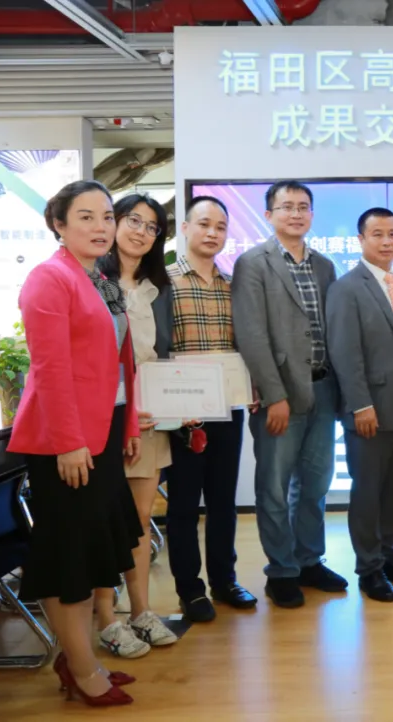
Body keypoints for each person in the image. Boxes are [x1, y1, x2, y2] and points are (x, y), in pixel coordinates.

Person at [9, 180, 141, 706]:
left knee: (89, 553)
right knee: (69, 556)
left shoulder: (98, 280)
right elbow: (50, 368)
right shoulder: (49, 278)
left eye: (107, 216)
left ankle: (80, 657)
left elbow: (118, 366)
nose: (101, 226)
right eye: (85, 217)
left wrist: (126, 429)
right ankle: (82, 670)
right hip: (65, 443)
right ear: (58, 224)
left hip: (101, 433)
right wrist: (69, 442)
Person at [233, 180, 345, 609]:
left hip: (323, 389)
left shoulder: (325, 265)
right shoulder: (252, 263)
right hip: (280, 395)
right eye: (287, 207)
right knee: (275, 488)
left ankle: (309, 560)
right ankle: (281, 570)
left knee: (315, 484)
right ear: (269, 214)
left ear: (312, 214)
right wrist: (273, 394)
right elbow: (252, 335)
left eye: (303, 207)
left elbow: (333, 330)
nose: (296, 214)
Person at [326, 208, 393, 602]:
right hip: (370, 409)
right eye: (377, 234)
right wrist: (359, 405)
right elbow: (345, 352)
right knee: (368, 492)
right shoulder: (346, 288)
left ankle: (389, 556)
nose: (387, 241)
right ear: (361, 240)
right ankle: (369, 569)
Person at [93, 193, 179, 655]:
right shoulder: (90, 281)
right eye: (133, 220)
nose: (141, 232)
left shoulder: (158, 290)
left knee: (141, 520)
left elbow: (161, 357)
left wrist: (179, 401)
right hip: (105, 419)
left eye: (151, 226)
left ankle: (142, 611)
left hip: (150, 420)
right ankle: (107, 618)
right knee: (107, 520)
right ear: (114, 222)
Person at [164, 196, 257, 622]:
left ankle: (225, 580)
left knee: (223, 501)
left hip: (228, 408)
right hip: (181, 412)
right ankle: (190, 590)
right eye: (204, 224)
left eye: (220, 226)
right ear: (185, 228)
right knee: (184, 505)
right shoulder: (163, 283)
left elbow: (245, 346)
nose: (212, 232)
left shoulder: (234, 285)